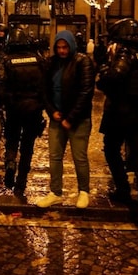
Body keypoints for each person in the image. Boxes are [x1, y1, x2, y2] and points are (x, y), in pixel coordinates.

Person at [96, 19, 138, 229]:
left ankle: (124, 190)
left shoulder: (126, 52)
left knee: (112, 149)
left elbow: (113, 78)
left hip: (121, 112)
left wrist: (104, 68)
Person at [37, 30, 94, 209]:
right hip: (57, 117)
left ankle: (84, 191)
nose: (62, 51)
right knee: (54, 157)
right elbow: (44, 90)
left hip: (78, 120)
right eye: (59, 47)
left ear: (71, 46)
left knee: (79, 157)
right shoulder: (51, 63)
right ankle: (55, 192)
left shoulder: (82, 61)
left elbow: (86, 92)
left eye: (65, 47)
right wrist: (52, 111)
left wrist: (70, 118)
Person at [0, 27, 46, 194]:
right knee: (27, 146)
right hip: (33, 109)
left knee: (12, 140)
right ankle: (21, 181)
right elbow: (45, 84)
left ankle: (10, 162)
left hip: (14, 108)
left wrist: (2, 105)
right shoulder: (37, 59)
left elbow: (1, 86)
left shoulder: (7, 60)